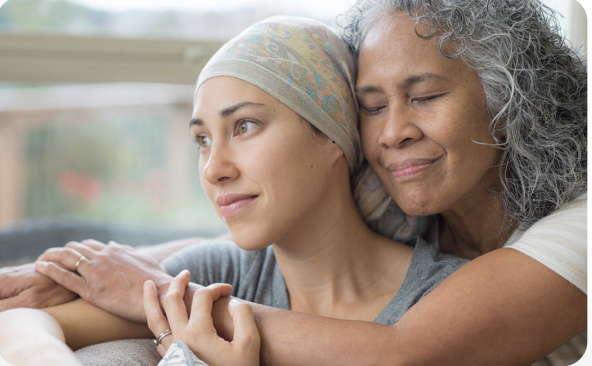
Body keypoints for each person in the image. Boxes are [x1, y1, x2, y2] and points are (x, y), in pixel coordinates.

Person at [0, 0, 586, 364]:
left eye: (426, 97)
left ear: (511, 100)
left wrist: (159, 295)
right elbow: (214, 254)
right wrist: (76, 269)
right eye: (372, 107)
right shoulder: (405, 202)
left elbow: (404, 351)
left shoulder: (569, 232)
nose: (392, 133)